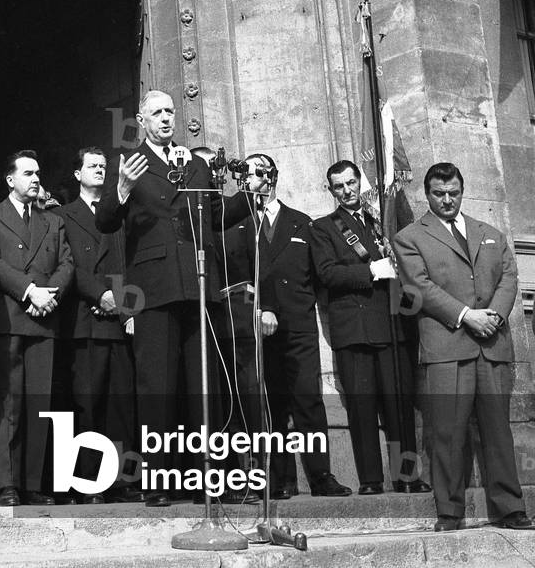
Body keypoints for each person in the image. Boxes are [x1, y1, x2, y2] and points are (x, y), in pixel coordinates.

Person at [95, 91, 246, 507]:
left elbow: (215, 217)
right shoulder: (130, 163)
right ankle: (157, 481)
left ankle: (211, 479)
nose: (165, 118)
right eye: (156, 112)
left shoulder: (193, 164)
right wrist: (123, 189)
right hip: (155, 287)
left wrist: (249, 197)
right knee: (157, 386)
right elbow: (105, 220)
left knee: (204, 387)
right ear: (141, 120)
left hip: (198, 284)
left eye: (170, 111)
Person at [393, 162, 532, 532]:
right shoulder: (409, 237)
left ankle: (510, 509)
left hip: (491, 345)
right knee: (446, 433)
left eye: (453, 192)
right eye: (439, 194)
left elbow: (508, 278)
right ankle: (450, 512)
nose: (447, 200)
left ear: (461, 190)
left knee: (498, 431)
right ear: (428, 194)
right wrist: (467, 315)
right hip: (446, 349)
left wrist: (495, 317)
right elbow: (418, 287)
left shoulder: (490, 233)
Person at [309, 159, 429, 495]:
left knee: (399, 406)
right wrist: (371, 271)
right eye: (339, 186)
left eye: (351, 183)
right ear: (330, 190)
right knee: (362, 408)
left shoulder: (382, 220)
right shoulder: (324, 228)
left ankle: (407, 477)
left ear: (360, 182)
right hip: (356, 327)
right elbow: (327, 274)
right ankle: (371, 480)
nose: (346, 191)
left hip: (392, 324)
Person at [238, 153, 350, 499]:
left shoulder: (302, 223)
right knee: (269, 404)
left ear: (273, 175)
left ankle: (321, 476)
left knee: (308, 400)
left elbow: (319, 274)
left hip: (298, 325)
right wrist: (257, 309)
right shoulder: (238, 224)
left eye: (258, 171)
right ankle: (278, 478)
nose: (252, 178)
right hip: (257, 326)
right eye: (247, 172)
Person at [0, 150, 74, 507]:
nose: (36, 179)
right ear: (10, 180)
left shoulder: (53, 220)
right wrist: (28, 290)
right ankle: (7, 484)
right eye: (28, 173)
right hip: (7, 319)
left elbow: (67, 263)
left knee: (39, 404)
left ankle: (33, 483)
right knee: (7, 405)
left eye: (38, 173)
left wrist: (51, 294)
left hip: (44, 319)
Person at [57, 147, 136, 504]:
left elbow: (127, 261)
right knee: (86, 403)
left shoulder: (119, 213)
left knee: (119, 404)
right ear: (78, 174)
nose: (100, 171)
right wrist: (99, 295)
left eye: (104, 166)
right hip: (85, 319)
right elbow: (68, 263)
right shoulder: (62, 215)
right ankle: (88, 481)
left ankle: (121, 480)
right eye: (92, 166)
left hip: (118, 320)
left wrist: (120, 304)